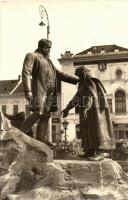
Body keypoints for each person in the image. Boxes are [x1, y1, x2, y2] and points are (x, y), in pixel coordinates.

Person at [22, 38, 79, 146]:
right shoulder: (32, 56)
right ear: (41, 46)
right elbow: (26, 71)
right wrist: (27, 90)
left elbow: (61, 74)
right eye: (47, 47)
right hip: (39, 90)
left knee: (46, 115)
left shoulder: (49, 61)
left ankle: (40, 140)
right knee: (38, 112)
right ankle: (20, 132)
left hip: (50, 93)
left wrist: (78, 79)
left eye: (49, 48)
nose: (48, 50)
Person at [62, 66, 115, 161]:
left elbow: (91, 95)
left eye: (78, 75)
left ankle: (100, 152)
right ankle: (90, 150)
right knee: (87, 129)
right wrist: (67, 108)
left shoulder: (89, 81)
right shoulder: (82, 83)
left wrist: (86, 108)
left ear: (83, 73)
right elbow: (77, 98)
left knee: (96, 129)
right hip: (88, 110)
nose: (77, 77)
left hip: (95, 110)